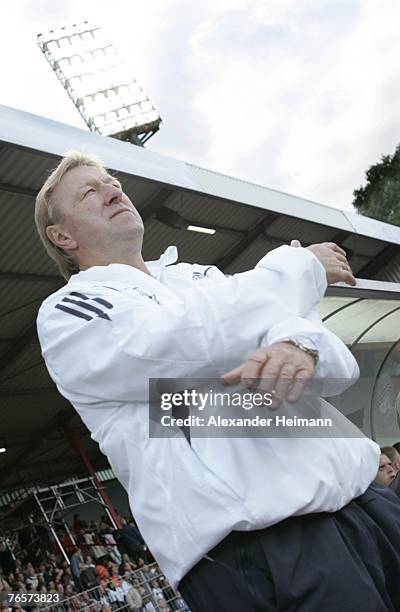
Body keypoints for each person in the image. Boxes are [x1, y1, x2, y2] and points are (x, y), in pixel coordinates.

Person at [35, 152, 400, 611]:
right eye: (90, 191)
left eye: (113, 181)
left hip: (367, 500)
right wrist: (296, 270)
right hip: (261, 546)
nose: (113, 190)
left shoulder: (197, 276)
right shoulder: (70, 310)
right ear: (61, 235)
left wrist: (297, 345)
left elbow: (330, 359)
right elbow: (170, 342)